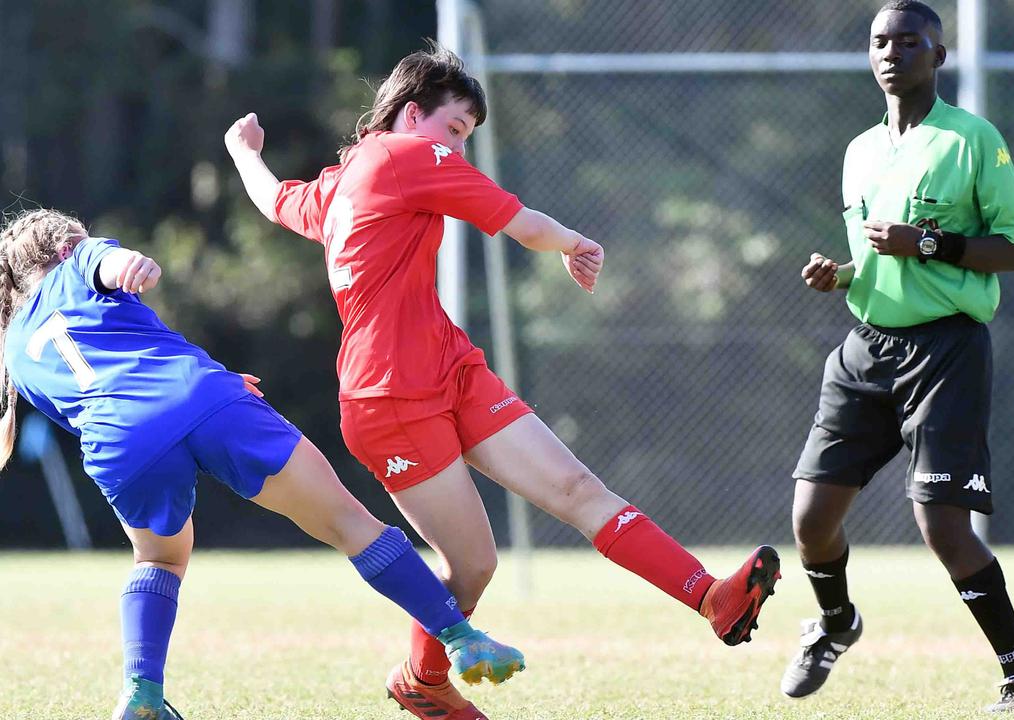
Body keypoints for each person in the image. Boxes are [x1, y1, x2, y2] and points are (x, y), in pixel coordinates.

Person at [224, 41, 780, 720]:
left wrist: (243, 151)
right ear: (408, 113)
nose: (456, 150)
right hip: (388, 397)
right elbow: (520, 223)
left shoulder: (340, 182)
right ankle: (423, 682)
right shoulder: (406, 156)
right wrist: (574, 242)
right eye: (453, 129)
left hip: (450, 367)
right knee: (474, 566)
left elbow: (275, 199)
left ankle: (711, 597)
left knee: (577, 489)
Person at [0, 209, 525, 720]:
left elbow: (101, 395)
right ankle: (460, 638)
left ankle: (142, 692)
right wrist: (135, 266)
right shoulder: (79, 259)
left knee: (158, 561)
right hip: (204, 397)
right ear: (64, 246)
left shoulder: (16, 352)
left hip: (119, 441)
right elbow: (113, 264)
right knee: (349, 522)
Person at [782, 1, 1014, 712]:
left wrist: (927, 243)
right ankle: (836, 624)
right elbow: (869, 258)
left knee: (941, 527)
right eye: (879, 41)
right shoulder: (859, 150)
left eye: (908, 41)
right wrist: (838, 275)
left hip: (945, 350)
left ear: (937, 55)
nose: (890, 52)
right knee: (810, 521)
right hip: (864, 348)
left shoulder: (972, 140)